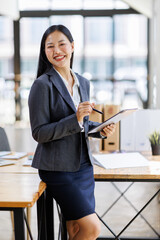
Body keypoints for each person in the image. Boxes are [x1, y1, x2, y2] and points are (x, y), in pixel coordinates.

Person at [28, 24, 116, 240]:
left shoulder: (83, 83)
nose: (57, 51)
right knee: (92, 228)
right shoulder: (42, 85)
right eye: (50, 46)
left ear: (72, 47)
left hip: (83, 166)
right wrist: (75, 118)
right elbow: (39, 133)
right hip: (57, 169)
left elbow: (81, 127)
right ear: (44, 52)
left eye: (61, 44)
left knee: (76, 229)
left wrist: (99, 132)